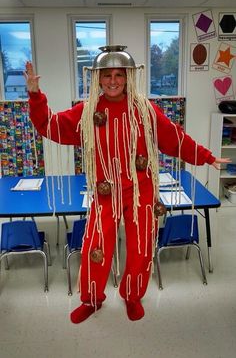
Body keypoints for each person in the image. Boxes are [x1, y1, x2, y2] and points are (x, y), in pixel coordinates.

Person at [24, 45, 230, 324]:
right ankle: (92, 298)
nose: (112, 81)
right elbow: (50, 126)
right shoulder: (87, 112)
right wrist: (35, 96)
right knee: (94, 246)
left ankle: (132, 297)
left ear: (128, 77)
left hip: (141, 191)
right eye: (106, 75)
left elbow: (174, 138)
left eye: (118, 74)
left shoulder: (145, 110)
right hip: (104, 192)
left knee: (141, 247)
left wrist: (206, 157)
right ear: (97, 78)